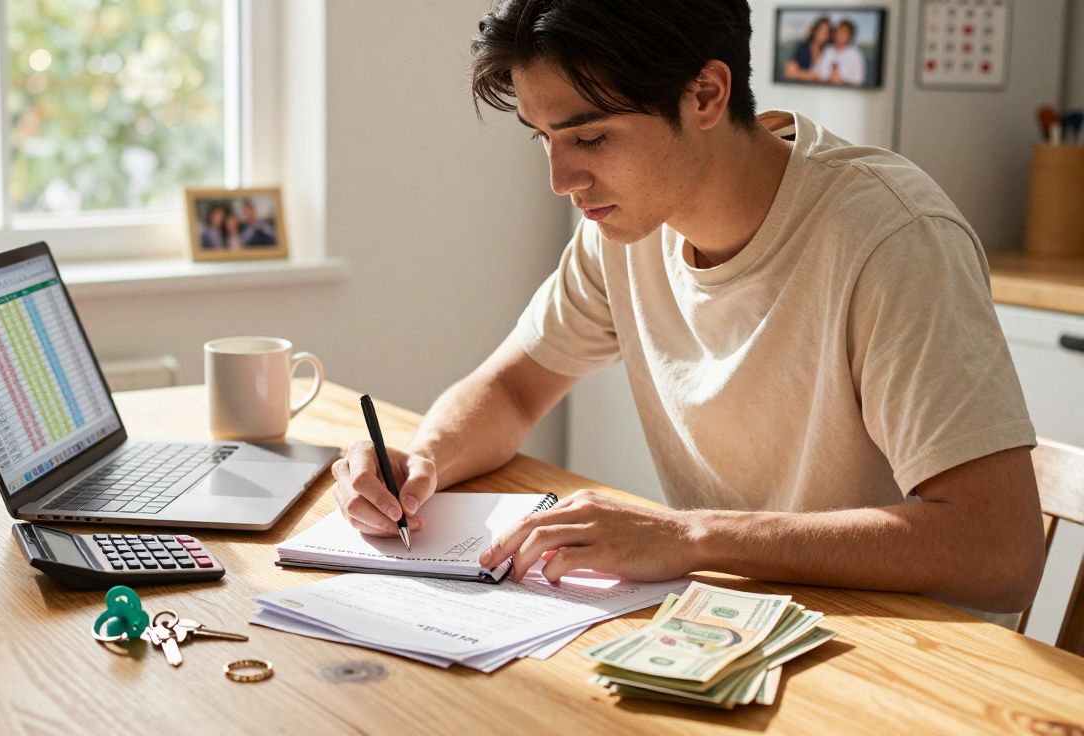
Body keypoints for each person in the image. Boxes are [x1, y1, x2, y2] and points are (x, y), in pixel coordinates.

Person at [329, 0, 1045, 616]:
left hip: (899, 649)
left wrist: (690, 537)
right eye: (544, 138)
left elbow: (1000, 550)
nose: (561, 179)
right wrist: (420, 464)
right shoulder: (623, 228)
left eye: (590, 137)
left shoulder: (891, 238)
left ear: (705, 94)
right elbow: (514, 388)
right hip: (730, 620)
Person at [814, 19, 867, 86]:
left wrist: (842, 81)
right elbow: (817, 72)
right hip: (823, 88)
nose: (840, 34)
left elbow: (859, 80)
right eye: (839, 31)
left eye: (844, 32)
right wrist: (828, 78)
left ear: (850, 36)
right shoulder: (827, 50)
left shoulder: (856, 54)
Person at [784, 16, 831, 82]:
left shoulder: (829, 51)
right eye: (822, 31)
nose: (824, 35)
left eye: (827, 32)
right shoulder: (802, 48)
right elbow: (790, 72)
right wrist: (809, 76)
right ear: (815, 31)